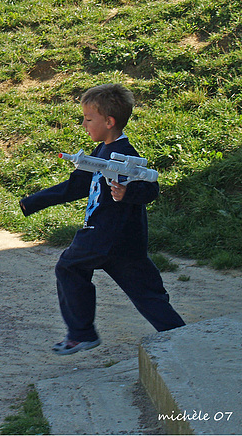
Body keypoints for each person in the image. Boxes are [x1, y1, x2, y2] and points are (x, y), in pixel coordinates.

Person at [19, 83, 185, 355]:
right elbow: (75, 186)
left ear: (109, 121)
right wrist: (34, 202)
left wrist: (127, 192)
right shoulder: (99, 153)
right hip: (124, 241)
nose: (84, 125)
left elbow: (151, 188)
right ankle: (182, 336)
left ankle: (82, 334)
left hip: (103, 235)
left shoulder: (126, 154)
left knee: (69, 268)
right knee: (146, 292)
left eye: (88, 119)